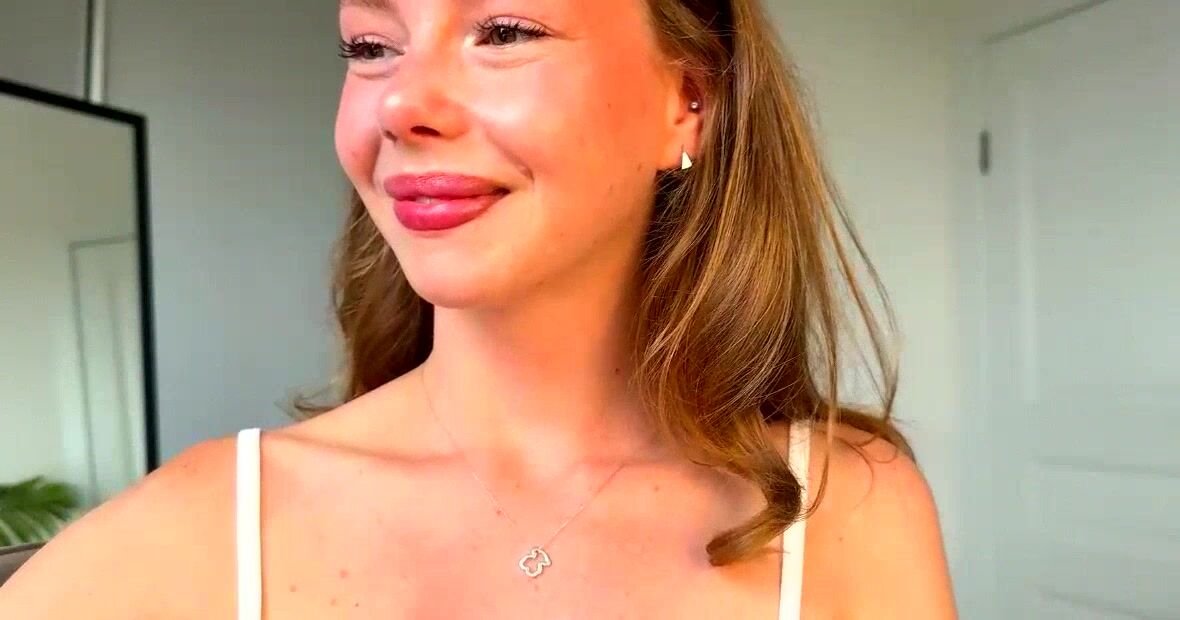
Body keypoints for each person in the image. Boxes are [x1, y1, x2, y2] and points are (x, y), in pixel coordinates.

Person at [0, 0, 956, 617]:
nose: (401, 104)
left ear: (688, 99)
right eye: (371, 47)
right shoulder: (209, 522)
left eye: (504, 31)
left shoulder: (847, 507)